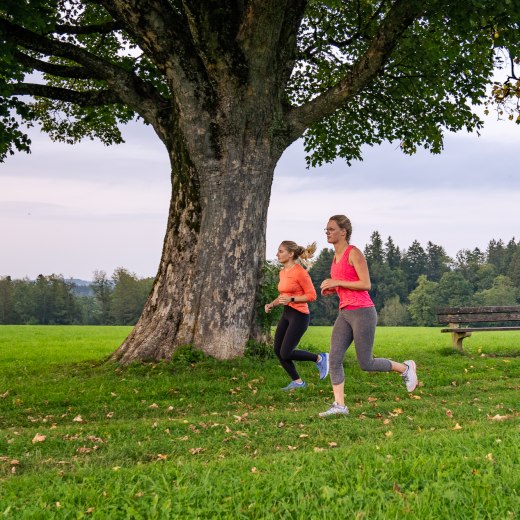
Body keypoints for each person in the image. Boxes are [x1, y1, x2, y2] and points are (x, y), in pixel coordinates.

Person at [318, 215, 418, 417]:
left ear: (343, 232)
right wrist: (332, 289)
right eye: (326, 229)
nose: (327, 232)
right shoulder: (335, 258)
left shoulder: (353, 253)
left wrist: (336, 283)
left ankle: (405, 368)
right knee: (334, 359)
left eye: (331, 229)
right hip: (345, 312)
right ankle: (340, 406)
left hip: (363, 312)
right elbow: (345, 284)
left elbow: (365, 284)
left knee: (366, 363)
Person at [265, 241, 329, 390]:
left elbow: (312, 296)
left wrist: (292, 299)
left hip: (299, 316)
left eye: (281, 251)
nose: (277, 254)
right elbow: (283, 295)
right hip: (287, 313)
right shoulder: (283, 272)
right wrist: (271, 304)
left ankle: (320, 358)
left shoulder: (300, 272)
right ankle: (298, 382)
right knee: (278, 350)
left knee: (286, 352)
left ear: (291, 254)